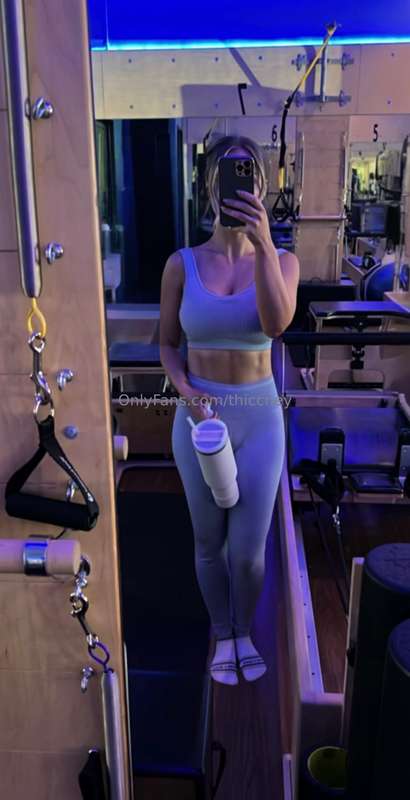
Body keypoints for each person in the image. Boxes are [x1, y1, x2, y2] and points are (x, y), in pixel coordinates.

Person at [159, 135, 299, 685]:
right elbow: (167, 344)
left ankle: (245, 631)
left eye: (248, 174)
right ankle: (223, 632)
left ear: (261, 186)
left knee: (248, 552)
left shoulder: (283, 261)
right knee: (208, 543)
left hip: (260, 419)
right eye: (226, 174)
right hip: (199, 422)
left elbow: (276, 325)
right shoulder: (182, 265)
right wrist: (186, 391)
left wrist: (264, 245)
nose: (238, 185)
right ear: (209, 187)